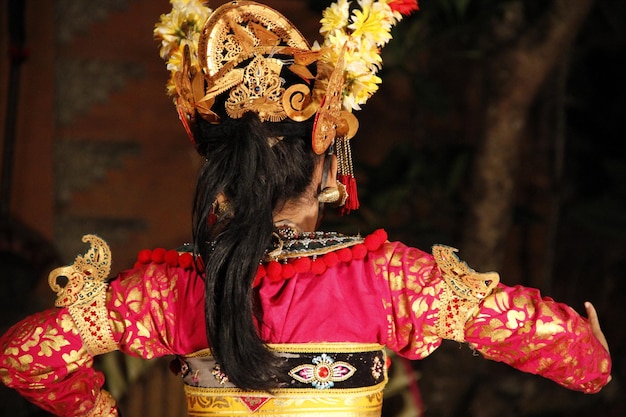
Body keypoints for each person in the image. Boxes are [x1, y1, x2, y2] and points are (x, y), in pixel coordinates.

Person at [0, 1, 611, 416]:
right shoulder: (387, 281)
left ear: (223, 172)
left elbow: (23, 359)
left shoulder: (165, 293)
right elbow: (556, 344)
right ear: (325, 156)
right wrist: (592, 356)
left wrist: (96, 410)